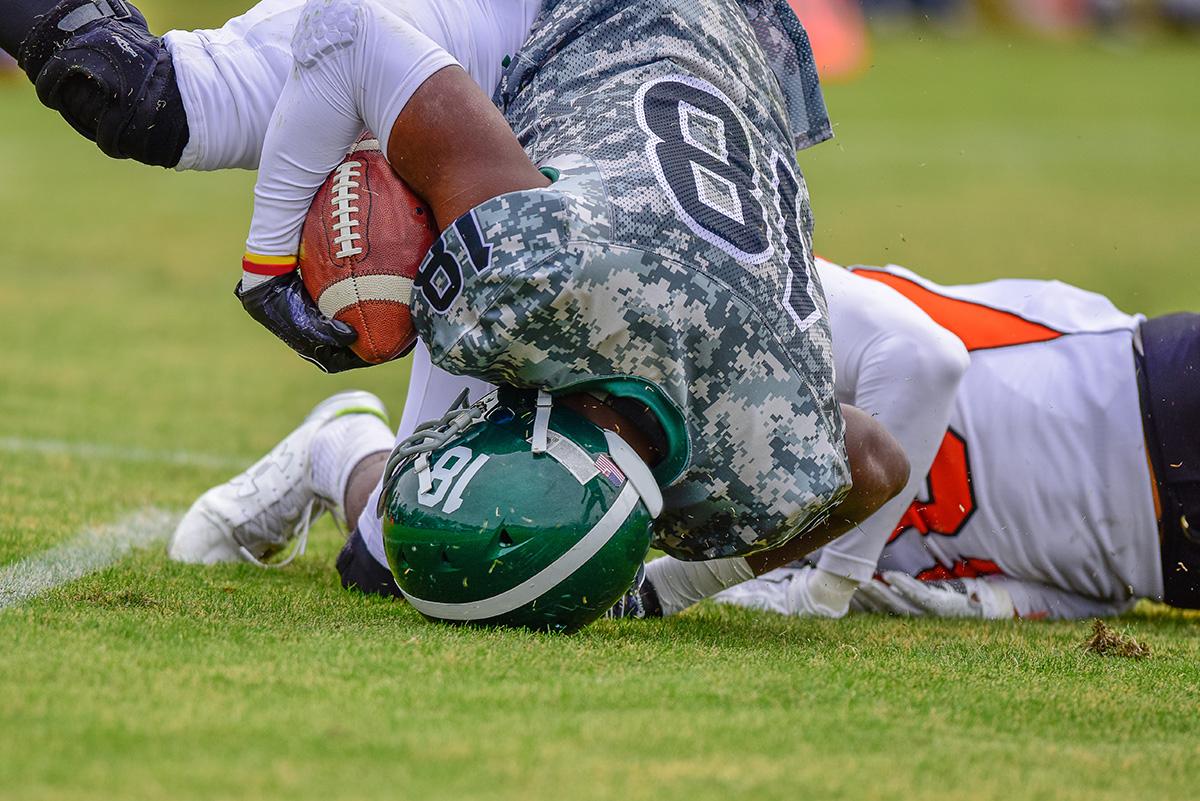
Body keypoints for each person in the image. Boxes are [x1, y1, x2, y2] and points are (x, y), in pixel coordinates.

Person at [168, 0, 911, 622]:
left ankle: (336, 450)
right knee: (146, 100)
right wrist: (267, 265)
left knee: (397, 560)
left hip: (740, 48)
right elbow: (347, 27)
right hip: (605, 22)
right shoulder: (540, 268)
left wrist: (663, 589)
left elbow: (878, 463)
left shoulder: (763, 449)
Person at [717, 260, 1200, 620]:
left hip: (1143, 398)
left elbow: (926, 357)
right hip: (1155, 561)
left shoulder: (793, 322)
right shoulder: (742, 546)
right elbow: (991, 596)